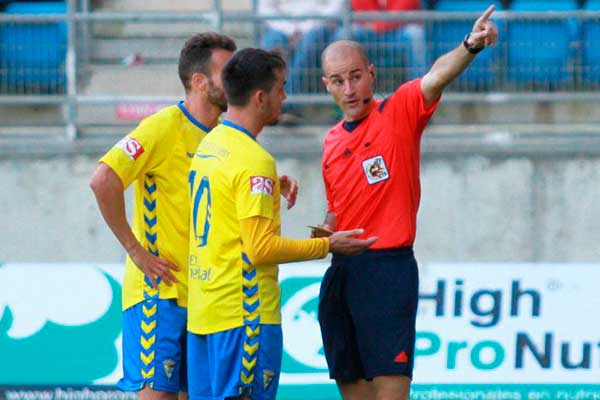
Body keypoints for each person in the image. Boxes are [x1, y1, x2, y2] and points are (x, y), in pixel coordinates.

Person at [316, 6, 498, 400]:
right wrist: (326, 231)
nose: (349, 89)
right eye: (338, 80)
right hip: (340, 270)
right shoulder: (330, 142)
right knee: (353, 388)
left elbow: (436, 75)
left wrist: (470, 45)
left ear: (372, 74)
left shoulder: (397, 112)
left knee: (391, 388)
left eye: (356, 76)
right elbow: (336, 207)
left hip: (387, 270)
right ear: (326, 85)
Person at [185, 48, 377, 400]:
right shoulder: (254, 160)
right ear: (261, 97)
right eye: (281, 88)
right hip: (243, 317)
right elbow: (261, 249)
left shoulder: (210, 144)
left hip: (203, 316)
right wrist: (327, 245)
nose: (285, 96)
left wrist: (270, 185)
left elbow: (225, 206)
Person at [89, 32, 236, 400]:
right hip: (160, 295)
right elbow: (103, 179)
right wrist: (136, 251)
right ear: (200, 82)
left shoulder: (225, 137)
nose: (237, 81)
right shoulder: (162, 126)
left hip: (204, 298)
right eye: (227, 72)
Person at [259, 0, 343, 95]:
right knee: (271, 42)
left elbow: (335, 7)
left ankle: (288, 98)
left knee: (310, 41)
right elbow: (264, 8)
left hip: (318, 25)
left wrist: (303, 29)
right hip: (281, 26)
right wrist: (290, 30)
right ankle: (270, 98)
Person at [343, 0, 427, 80]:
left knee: (415, 33)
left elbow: (401, 11)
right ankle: (346, 86)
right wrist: (379, 23)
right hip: (369, 32)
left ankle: (420, 89)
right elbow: (360, 7)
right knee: (346, 33)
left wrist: (379, 25)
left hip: (397, 31)